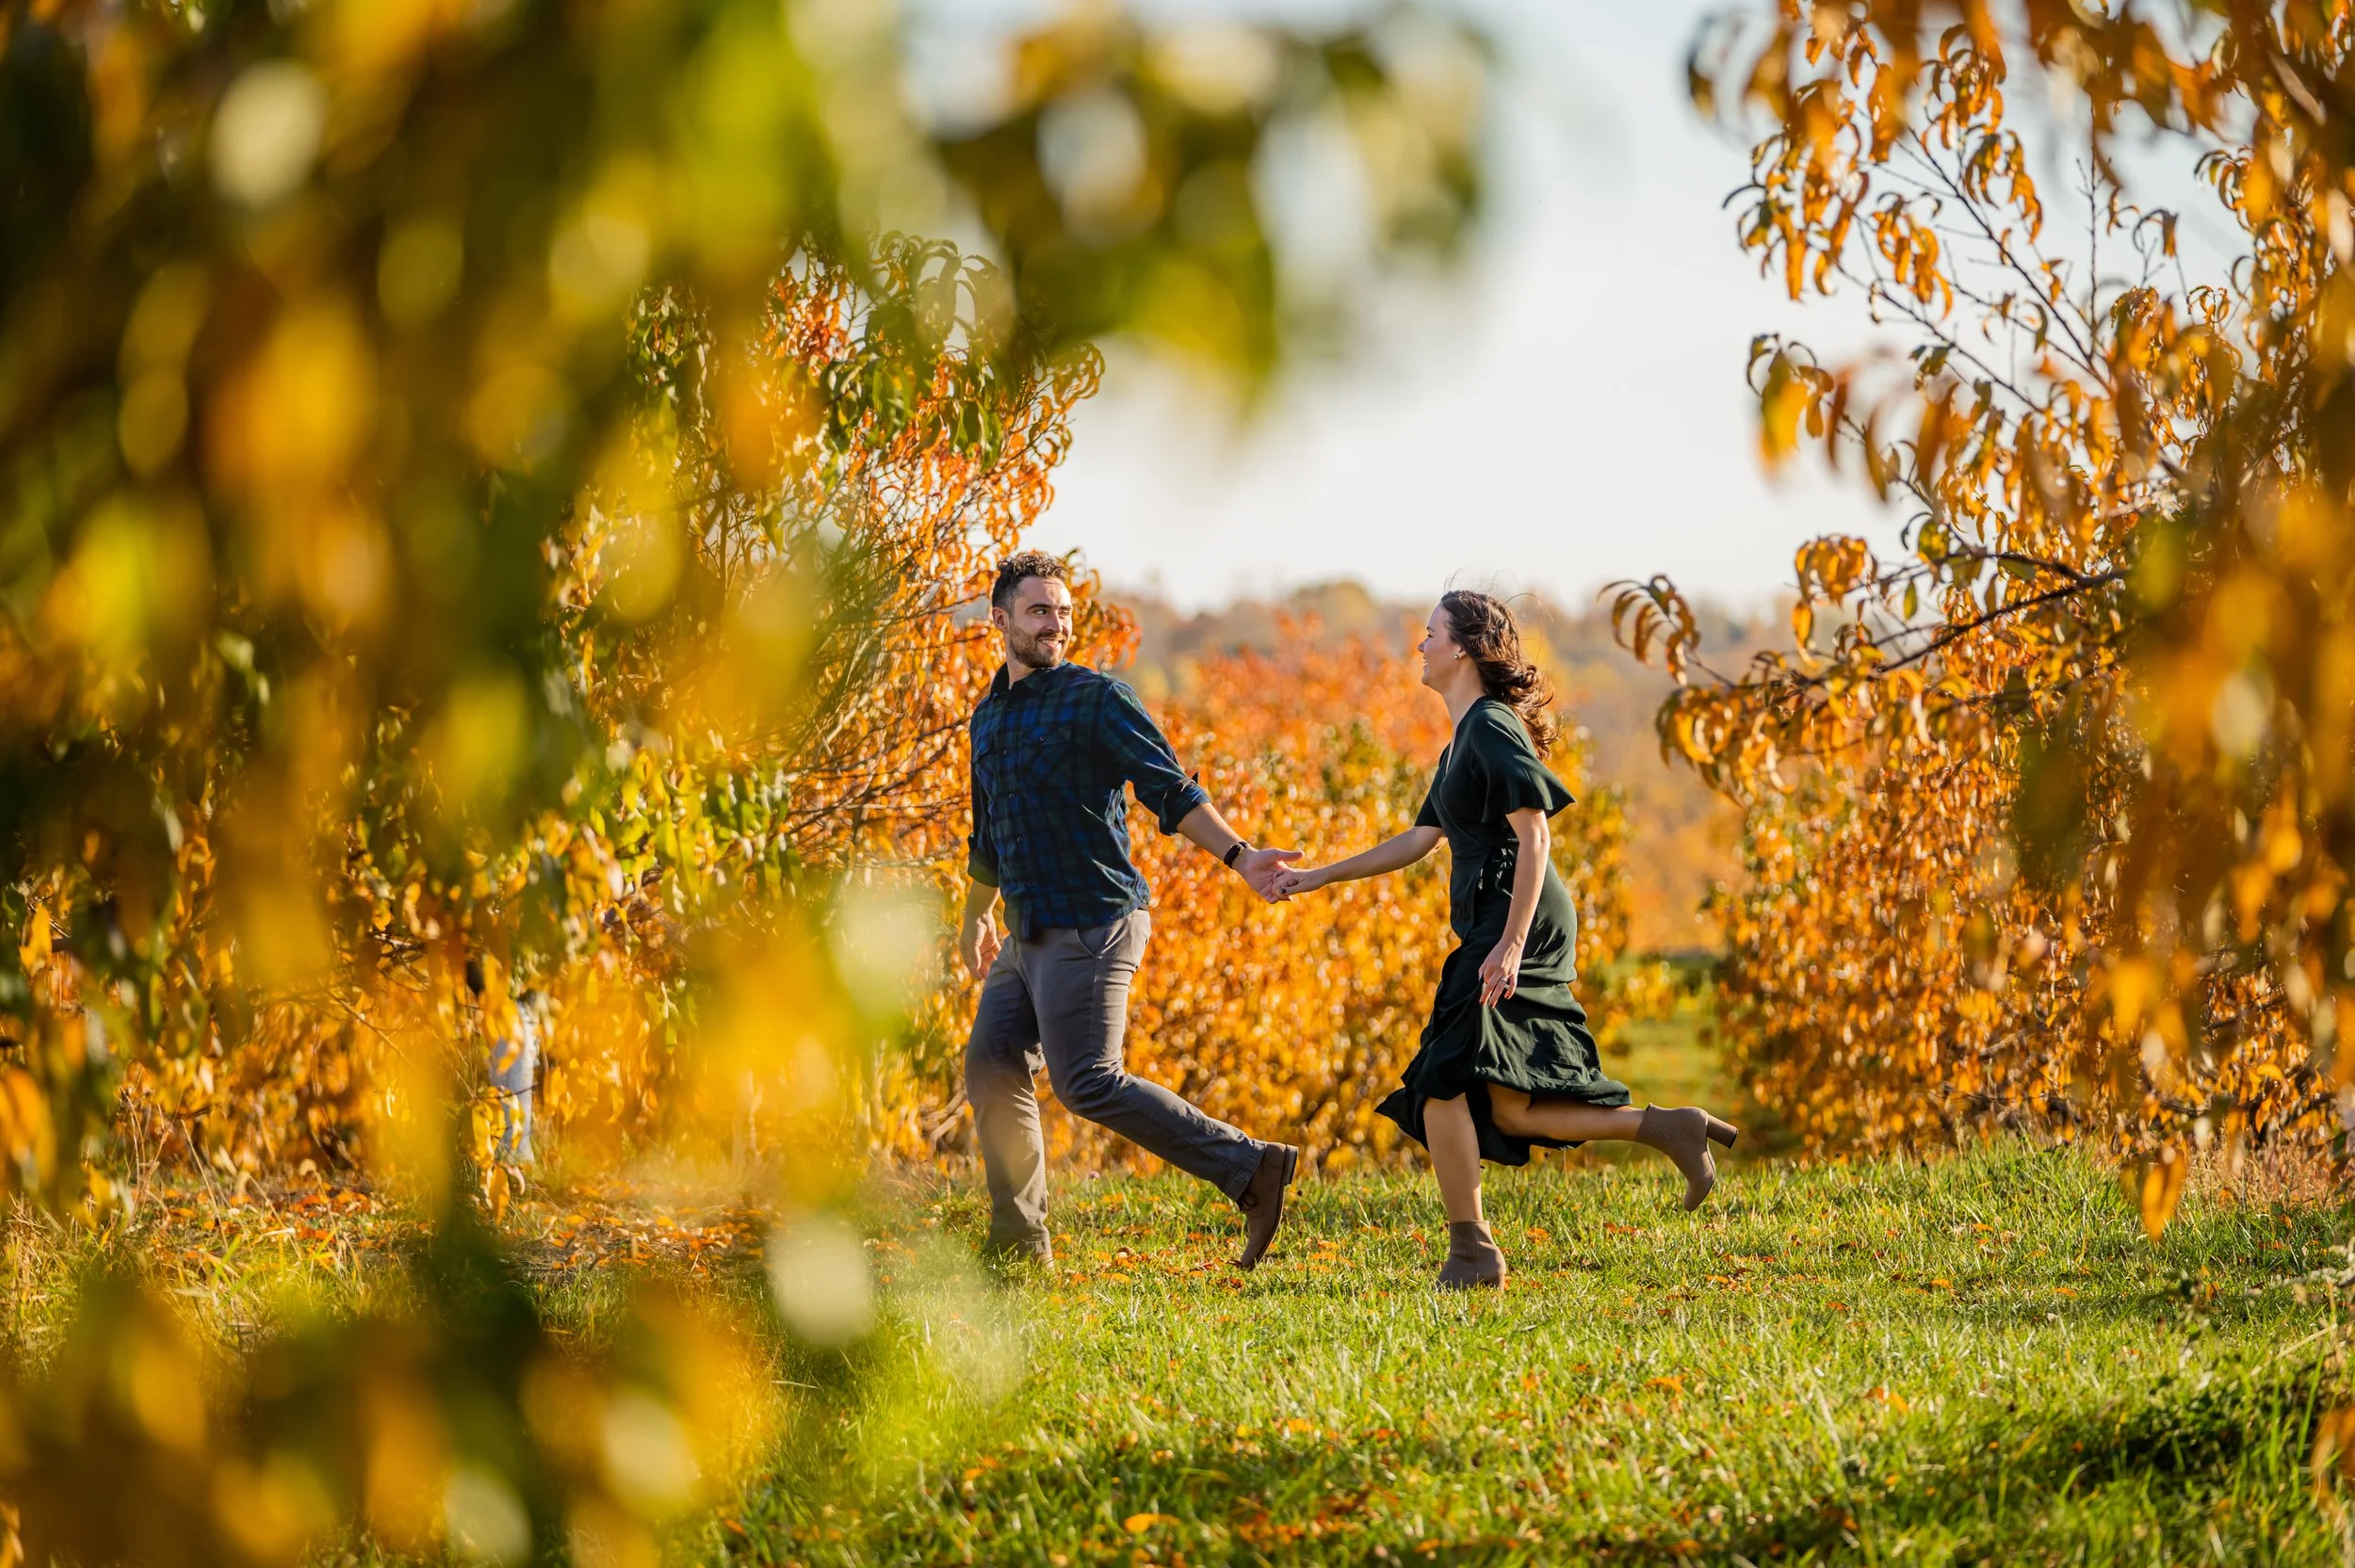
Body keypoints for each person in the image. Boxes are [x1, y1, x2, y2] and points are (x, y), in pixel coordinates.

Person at [1273, 590, 1739, 1289]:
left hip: (1514, 918)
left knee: (1441, 1079)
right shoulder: (1463, 736)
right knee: (1511, 1103)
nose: (1420, 645)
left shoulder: (1491, 726)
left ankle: (1472, 1250)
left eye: (1429, 633)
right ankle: (1668, 1127)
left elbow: (1537, 832)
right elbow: (1421, 838)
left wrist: (1513, 943)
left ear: (1460, 647)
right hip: (1500, 921)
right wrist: (1321, 876)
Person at [959, 551, 1305, 1269]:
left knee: (1086, 1078)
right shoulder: (986, 720)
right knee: (991, 1060)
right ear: (1000, 621)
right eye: (1038, 611)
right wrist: (974, 919)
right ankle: (1019, 1243)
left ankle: (1251, 1169)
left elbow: (1169, 789)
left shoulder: (1094, 699)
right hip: (1026, 931)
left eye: (1062, 611)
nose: (1056, 624)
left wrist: (1241, 858)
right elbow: (987, 833)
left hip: (1094, 918)